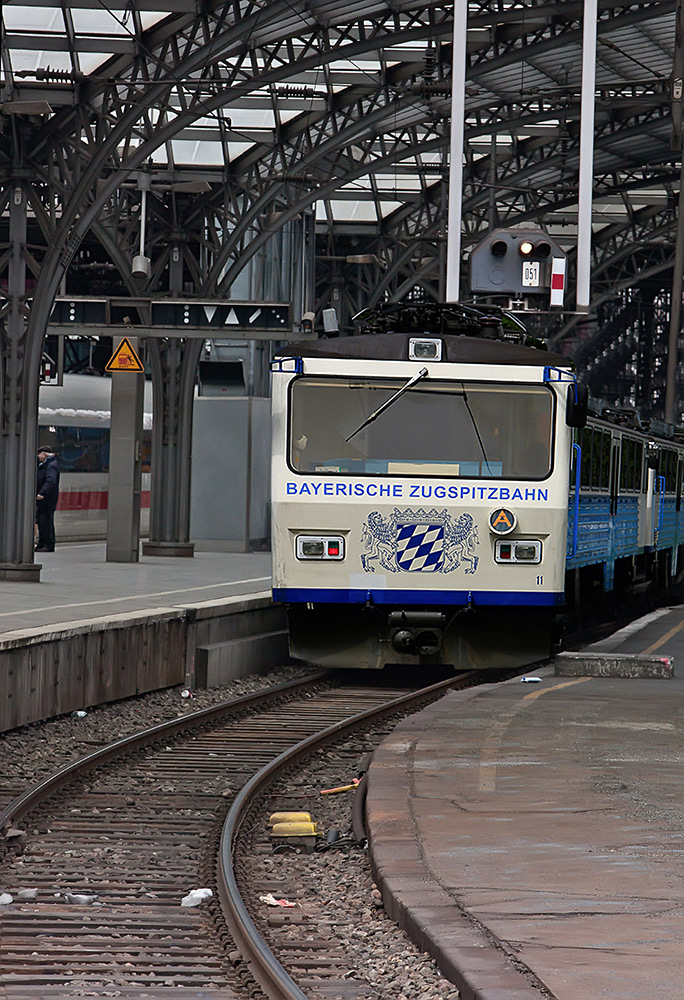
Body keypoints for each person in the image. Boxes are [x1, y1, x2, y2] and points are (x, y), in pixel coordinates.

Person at [36, 446, 60, 552]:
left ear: (44, 454)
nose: (38, 456)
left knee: (46, 521)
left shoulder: (51, 466)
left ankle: (48, 544)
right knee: (41, 521)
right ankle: (41, 543)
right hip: (43, 498)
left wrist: (42, 493)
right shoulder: (45, 465)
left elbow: (50, 481)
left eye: (39, 454)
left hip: (47, 499)